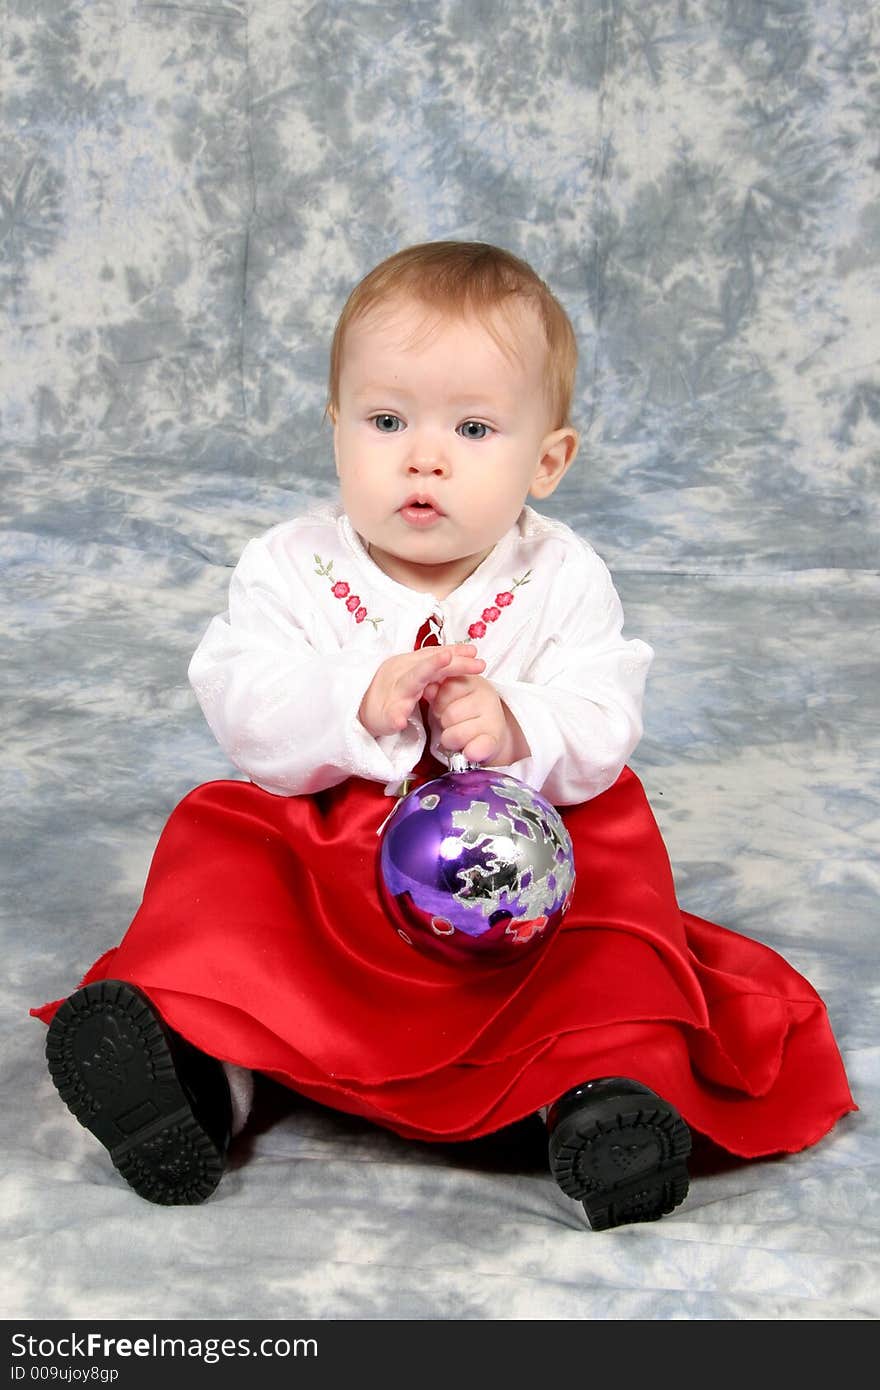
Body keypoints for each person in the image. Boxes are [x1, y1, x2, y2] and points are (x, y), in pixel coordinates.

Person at [33, 241, 856, 1230]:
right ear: (335, 430)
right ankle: (197, 1078)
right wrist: (353, 702)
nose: (422, 457)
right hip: (331, 856)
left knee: (616, 921)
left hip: (521, 880)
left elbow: (604, 713)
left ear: (546, 459)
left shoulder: (562, 575)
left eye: (472, 428)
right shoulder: (290, 565)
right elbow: (241, 700)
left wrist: (520, 724)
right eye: (386, 421)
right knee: (224, 857)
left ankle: (600, 1099)